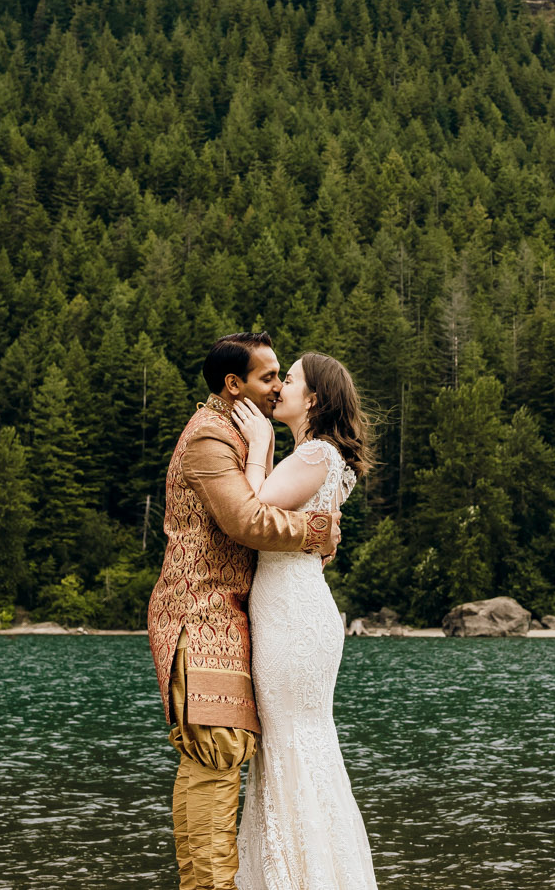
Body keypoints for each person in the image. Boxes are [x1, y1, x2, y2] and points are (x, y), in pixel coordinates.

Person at [149, 333, 341, 890]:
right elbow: (246, 522)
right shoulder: (210, 436)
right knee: (216, 747)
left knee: (217, 752)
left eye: (283, 376)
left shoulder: (239, 432)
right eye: (267, 377)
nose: (278, 385)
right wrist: (319, 530)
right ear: (233, 385)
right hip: (201, 611)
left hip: (231, 612)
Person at [229, 351, 378, 890]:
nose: (278, 388)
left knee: (291, 740)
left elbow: (255, 510)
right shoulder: (318, 456)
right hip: (293, 606)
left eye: (287, 380)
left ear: (312, 398)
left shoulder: (316, 453)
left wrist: (259, 446)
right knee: (293, 742)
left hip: (292, 615)